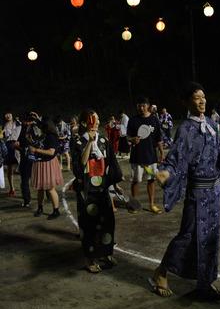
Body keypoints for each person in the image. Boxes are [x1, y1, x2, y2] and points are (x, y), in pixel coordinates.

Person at [149, 82, 220, 301]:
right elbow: (176, 159)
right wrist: (166, 173)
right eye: (197, 97)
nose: (202, 101)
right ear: (186, 102)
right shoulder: (185, 129)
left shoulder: (211, 124)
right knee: (188, 235)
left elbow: (217, 154)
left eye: (203, 97)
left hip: (214, 193)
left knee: (211, 237)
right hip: (197, 193)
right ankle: (161, 272)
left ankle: (205, 283)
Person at [71, 109, 123, 273]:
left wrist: (114, 183)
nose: (98, 122)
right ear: (86, 123)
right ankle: (90, 258)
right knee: (89, 225)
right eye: (94, 119)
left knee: (107, 222)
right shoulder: (78, 141)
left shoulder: (103, 140)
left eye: (99, 118)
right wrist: (89, 144)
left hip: (102, 188)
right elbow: (79, 166)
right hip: (86, 190)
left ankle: (106, 253)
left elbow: (111, 163)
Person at [127, 96, 164, 214]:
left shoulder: (154, 120)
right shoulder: (133, 120)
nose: (141, 108)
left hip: (151, 158)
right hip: (137, 158)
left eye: (143, 105)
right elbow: (127, 137)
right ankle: (134, 204)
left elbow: (159, 139)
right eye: (139, 106)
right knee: (136, 181)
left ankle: (152, 204)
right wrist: (132, 139)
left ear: (148, 106)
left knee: (151, 180)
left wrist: (161, 153)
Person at [30, 117, 64, 219]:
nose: (40, 127)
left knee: (50, 189)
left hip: (48, 164)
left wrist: (35, 150)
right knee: (40, 188)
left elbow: (51, 152)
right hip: (41, 162)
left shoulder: (51, 136)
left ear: (46, 127)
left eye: (42, 126)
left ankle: (56, 210)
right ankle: (40, 208)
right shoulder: (44, 135)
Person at [2, 112, 22, 196]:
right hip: (8, 145)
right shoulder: (3, 125)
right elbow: (3, 137)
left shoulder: (17, 123)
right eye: (6, 114)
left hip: (18, 145)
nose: (8, 115)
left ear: (12, 114)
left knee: (22, 167)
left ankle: (24, 187)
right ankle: (12, 188)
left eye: (9, 113)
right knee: (10, 169)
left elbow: (23, 132)